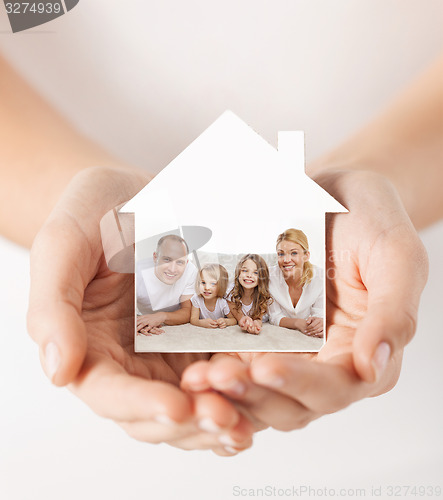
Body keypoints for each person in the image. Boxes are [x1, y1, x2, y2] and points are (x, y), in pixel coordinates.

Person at [0, 50, 441, 452]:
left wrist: (367, 186)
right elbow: (201, 312)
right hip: (46, 410)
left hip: (401, 406)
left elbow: (251, 312)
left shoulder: (282, 279)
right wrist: (79, 210)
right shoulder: (184, 284)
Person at [136, 235, 197, 335]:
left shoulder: (190, 271)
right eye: (167, 260)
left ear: (186, 262)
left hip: (172, 317)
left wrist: (161, 317)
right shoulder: (137, 272)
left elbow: (188, 311)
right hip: (142, 315)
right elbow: (120, 310)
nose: (172, 269)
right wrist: (139, 322)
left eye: (180, 262)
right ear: (155, 257)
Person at [268, 229, 324, 338]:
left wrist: (319, 323)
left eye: (294, 253)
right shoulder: (269, 276)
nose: (286, 259)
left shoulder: (321, 278)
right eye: (281, 254)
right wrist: (298, 323)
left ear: (306, 255)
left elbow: (320, 313)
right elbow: (274, 316)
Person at [227, 254, 272, 335]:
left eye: (256, 273)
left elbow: (258, 319)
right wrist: (246, 323)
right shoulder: (231, 291)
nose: (249, 275)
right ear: (238, 273)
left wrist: (256, 324)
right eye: (245, 271)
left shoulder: (264, 295)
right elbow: (240, 318)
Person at [190, 264, 236, 329]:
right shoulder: (196, 299)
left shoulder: (222, 302)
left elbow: (233, 320)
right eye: (203, 283)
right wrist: (202, 323)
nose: (207, 288)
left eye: (213, 284)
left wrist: (225, 321)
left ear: (221, 285)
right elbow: (193, 319)